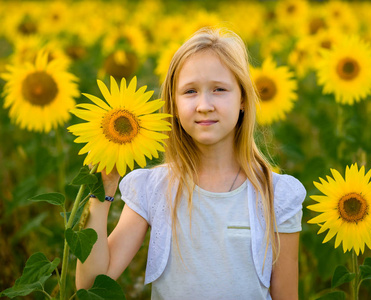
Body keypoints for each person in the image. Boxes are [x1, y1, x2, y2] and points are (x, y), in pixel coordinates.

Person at [76, 27, 306, 300]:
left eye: (219, 89)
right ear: (173, 103)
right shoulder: (154, 188)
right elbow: (91, 283)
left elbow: (286, 295)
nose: (204, 105)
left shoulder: (275, 195)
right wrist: (100, 194)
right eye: (190, 91)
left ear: (243, 98)